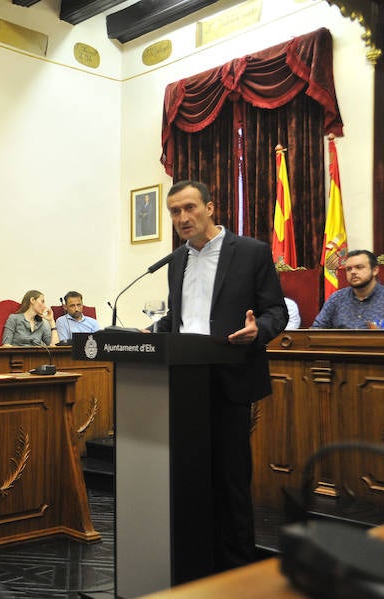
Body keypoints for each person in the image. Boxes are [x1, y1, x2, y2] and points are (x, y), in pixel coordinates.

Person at [154, 180, 287, 572]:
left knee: (230, 480)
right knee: (190, 477)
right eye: (175, 212)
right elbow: (183, 318)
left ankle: (237, 569)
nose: (182, 218)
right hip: (182, 383)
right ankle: (196, 562)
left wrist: (257, 331)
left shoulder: (250, 252)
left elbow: (276, 312)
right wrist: (154, 330)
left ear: (211, 208)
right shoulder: (176, 260)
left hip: (229, 379)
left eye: (190, 208)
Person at [311, 250, 384, 329]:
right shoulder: (336, 298)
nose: (353, 272)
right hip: (342, 352)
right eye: (349, 269)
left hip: (380, 352)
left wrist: (383, 337)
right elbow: (316, 329)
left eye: (359, 267)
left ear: (375, 270)